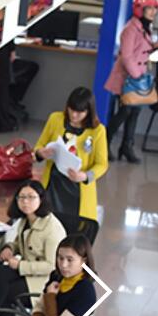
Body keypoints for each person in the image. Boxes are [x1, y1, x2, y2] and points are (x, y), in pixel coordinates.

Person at [33, 86, 109, 245]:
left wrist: (85, 176)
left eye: (80, 112)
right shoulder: (55, 119)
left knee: (73, 237)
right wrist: (41, 152)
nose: (74, 115)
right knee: (47, 230)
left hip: (77, 191)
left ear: (89, 111)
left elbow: (102, 164)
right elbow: (39, 145)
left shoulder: (98, 131)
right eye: (71, 110)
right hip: (53, 185)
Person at [0, 181, 67, 316]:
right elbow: (21, 242)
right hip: (29, 273)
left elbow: (52, 266)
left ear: (41, 199)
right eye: (21, 197)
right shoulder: (27, 220)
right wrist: (10, 248)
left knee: (4, 293)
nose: (25, 202)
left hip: (43, 281)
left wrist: (20, 265)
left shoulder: (52, 229)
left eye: (31, 197)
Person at [104, 0, 157, 165]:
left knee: (135, 112)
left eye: (155, 8)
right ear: (140, 9)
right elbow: (127, 56)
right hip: (127, 78)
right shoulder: (131, 28)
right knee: (125, 112)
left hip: (137, 78)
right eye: (149, 8)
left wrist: (155, 46)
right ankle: (104, 143)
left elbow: (142, 49)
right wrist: (137, 75)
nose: (153, 12)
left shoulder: (144, 27)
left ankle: (126, 147)